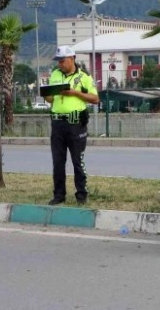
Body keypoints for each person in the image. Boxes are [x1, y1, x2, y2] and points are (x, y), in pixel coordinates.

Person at [44, 46, 99, 206]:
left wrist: (75, 93)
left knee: (77, 161)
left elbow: (95, 99)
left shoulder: (84, 77)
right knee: (58, 162)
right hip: (58, 124)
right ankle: (59, 195)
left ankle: (81, 195)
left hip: (76, 124)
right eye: (58, 61)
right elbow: (50, 99)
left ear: (72, 58)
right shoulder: (55, 74)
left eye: (62, 61)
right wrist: (48, 94)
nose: (60, 64)